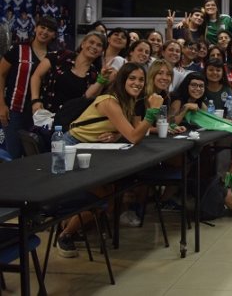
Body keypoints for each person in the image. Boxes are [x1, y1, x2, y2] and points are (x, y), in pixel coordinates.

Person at [54, 63, 164, 257]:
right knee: (103, 197)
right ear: (122, 80)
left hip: (91, 150)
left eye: (140, 79)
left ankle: (70, 224)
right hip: (71, 148)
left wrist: (116, 135)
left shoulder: (127, 102)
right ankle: (65, 235)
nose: (137, 83)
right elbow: (135, 136)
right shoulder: (109, 101)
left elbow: (129, 131)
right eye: (132, 78)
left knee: (110, 194)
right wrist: (153, 111)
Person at [0, 16, 57, 158]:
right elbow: (1, 75)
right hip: (14, 111)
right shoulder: (18, 49)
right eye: (42, 27)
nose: (44, 32)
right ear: (35, 28)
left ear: (54, 34)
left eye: (49, 30)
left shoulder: (54, 56)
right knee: (15, 156)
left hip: (41, 114)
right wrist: (1, 105)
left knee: (37, 158)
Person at [30, 31, 110, 115]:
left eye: (99, 45)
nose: (94, 47)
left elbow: (86, 98)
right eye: (91, 42)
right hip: (42, 113)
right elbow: (36, 76)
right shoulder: (61, 55)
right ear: (83, 44)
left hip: (68, 120)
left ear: (101, 52)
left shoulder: (94, 74)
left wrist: (103, 78)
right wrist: (35, 100)